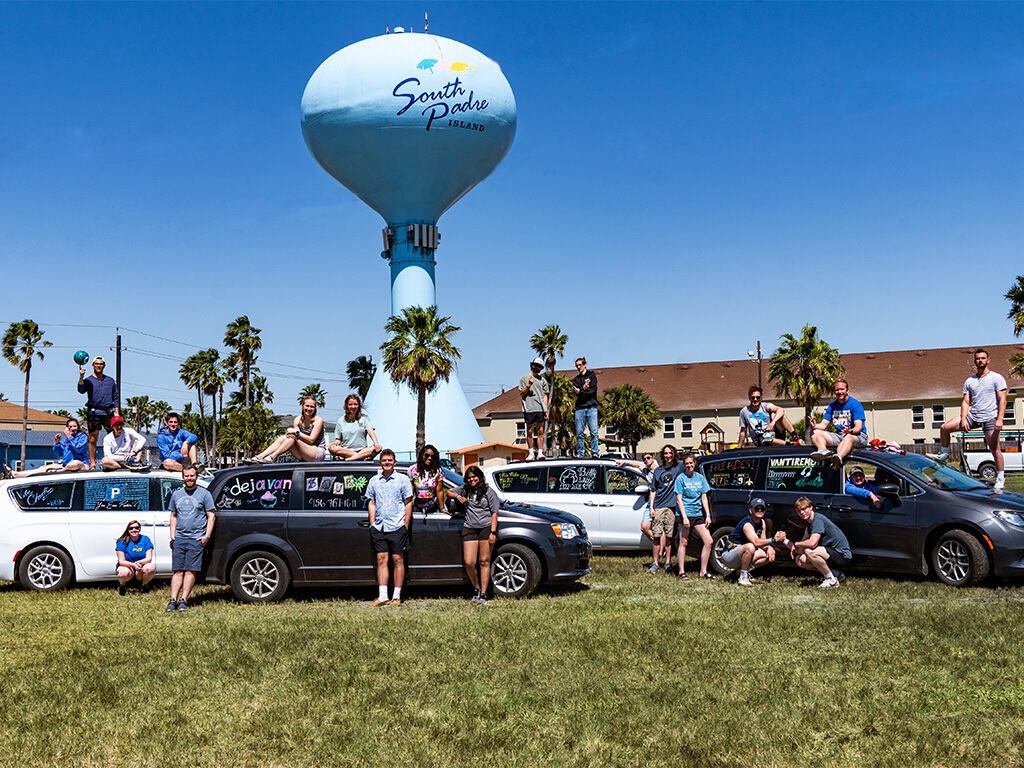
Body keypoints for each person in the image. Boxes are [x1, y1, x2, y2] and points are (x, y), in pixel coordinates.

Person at [936, 349, 1009, 490]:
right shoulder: (970, 381)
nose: (980, 360)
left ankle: (1000, 478)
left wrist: (1000, 419)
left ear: (988, 360)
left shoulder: (996, 378)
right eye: (977, 358)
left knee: (995, 450)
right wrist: (963, 419)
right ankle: (944, 454)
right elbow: (965, 402)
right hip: (973, 416)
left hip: (990, 417)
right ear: (974, 361)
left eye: (983, 358)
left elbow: (1003, 399)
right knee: (945, 428)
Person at [364, 449, 413, 606]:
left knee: (398, 559)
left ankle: (396, 596)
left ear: (394, 462)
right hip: (379, 526)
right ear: (380, 462)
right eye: (384, 460)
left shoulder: (403, 480)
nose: (387, 463)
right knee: (381, 559)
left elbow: (408, 502)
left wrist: (405, 525)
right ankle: (383, 595)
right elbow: (371, 502)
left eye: (389, 460)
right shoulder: (374, 481)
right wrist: (372, 524)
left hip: (397, 525)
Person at [447, 465, 500, 604]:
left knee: (484, 561)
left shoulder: (489, 491)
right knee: (469, 562)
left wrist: (493, 532)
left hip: (486, 528)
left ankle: (483, 593)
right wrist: (459, 496)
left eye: (474, 477)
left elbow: (494, 512)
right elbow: (448, 492)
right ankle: (476, 588)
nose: (471, 480)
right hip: (470, 527)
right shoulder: (465, 489)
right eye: (469, 478)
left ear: (479, 477)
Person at [166, 465, 216, 612]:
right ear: (183, 477)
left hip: (196, 539)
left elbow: (211, 516)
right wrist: (172, 535)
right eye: (187, 476)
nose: (189, 478)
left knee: (190, 570)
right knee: (177, 571)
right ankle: (172, 600)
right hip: (180, 538)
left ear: (196, 476)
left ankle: (184, 600)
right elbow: (173, 515)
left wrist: (206, 536)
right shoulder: (177, 495)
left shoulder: (204, 494)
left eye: (192, 475)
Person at [774, 497, 852, 588]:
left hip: (842, 556)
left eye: (803, 509)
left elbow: (812, 543)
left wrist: (797, 544)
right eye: (799, 511)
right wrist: (784, 540)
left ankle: (830, 579)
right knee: (800, 560)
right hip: (829, 555)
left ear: (811, 507)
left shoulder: (818, 519)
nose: (802, 513)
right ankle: (835, 574)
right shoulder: (809, 526)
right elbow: (799, 550)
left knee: (809, 551)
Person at [809, 379, 869, 470]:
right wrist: (815, 426)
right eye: (837, 390)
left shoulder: (855, 405)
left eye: (842, 389)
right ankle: (823, 451)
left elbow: (858, 427)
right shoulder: (832, 406)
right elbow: (823, 425)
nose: (839, 392)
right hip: (840, 435)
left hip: (857, 436)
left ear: (847, 390)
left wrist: (850, 430)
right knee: (815, 433)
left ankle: (837, 459)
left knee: (848, 437)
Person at [248, 396, 327, 463]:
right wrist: (294, 433)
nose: (309, 409)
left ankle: (272, 457)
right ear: (302, 406)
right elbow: (294, 436)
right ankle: (260, 456)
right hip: (302, 455)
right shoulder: (297, 420)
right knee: (285, 437)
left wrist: (297, 432)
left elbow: (311, 440)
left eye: (312, 406)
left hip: (316, 453)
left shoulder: (318, 420)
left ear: (315, 408)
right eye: (307, 406)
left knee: (293, 436)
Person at [674, 451, 714, 579]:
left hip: (698, 514)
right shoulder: (680, 479)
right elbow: (679, 499)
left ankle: (703, 571)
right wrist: (684, 517)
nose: (689, 465)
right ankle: (681, 572)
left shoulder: (700, 478)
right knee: (684, 542)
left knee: (708, 541)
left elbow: (704, 497)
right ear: (684, 465)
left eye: (691, 463)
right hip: (685, 514)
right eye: (687, 463)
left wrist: (707, 515)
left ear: (694, 463)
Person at [6, 417, 89, 477]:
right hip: (65, 466)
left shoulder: (82, 437)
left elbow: (78, 449)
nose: (73, 428)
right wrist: (57, 443)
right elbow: (59, 453)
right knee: (43, 468)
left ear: (78, 427)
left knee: (74, 463)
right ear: (67, 428)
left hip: (81, 465)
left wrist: (69, 437)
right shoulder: (66, 440)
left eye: (74, 426)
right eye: (70, 427)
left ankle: (59, 471)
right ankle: (16, 474)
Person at [719, 498, 775, 586]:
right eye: (757, 508)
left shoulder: (762, 522)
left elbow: (762, 542)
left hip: (741, 553)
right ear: (750, 510)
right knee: (750, 547)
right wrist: (774, 539)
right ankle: (743, 577)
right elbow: (756, 542)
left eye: (762, 508)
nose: (760, 510)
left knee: (767, 555)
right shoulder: (747, 523)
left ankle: (739, 572)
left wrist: (770, 548)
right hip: (729, 555)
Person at [77, 356, 120, 470]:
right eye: (96, 364)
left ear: (104, 365)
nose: (98, 366)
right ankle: (92, 463)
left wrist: (117, 413)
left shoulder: (110, 380)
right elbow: (81, 390)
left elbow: (115, 397)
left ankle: (112, 461)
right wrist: (81, 376)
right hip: (93, 412)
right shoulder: (88, 380)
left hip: (108, 412)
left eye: (101, 364)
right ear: (93, 365)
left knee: (113, 437)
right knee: (92, 439)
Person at [648, 445, 686, 574]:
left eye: (670, 453)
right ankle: (655, 563)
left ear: (674, 454)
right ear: (662, 455)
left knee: (669, 536)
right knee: (656, 536)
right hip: (659, 506)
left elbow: (691, 462)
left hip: (672, 507)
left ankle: (668, 563)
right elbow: (653, 490)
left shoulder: (679, 467)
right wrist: (651, 507)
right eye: (665, 453)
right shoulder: (658, 471)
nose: (668, 455)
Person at [619, 453, 659, 562]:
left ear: (653, 458)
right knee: (644, 527)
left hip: (660, 502)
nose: (646, 460)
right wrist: (625, 463)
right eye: (644, 459)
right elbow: (637, 465)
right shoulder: (646, 471)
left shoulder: (659, 471)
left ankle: (661, 550)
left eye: (648, 458)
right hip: (651, 502)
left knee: (661, 529)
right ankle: (659, 545)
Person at [328, 394, 382, 461]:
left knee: (376, 448)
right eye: (350, 404)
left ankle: (349, 459)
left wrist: (376, 443)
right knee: (332, 449)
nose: (353, 407)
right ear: (346, 406)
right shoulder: (341, 420)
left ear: (359, 405)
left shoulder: (364, 418)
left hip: (362, 450)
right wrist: (334, 443)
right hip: (346, 451)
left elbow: (371, 432)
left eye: (355, 404)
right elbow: (338, 439)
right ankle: (360, 458)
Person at [518, 358, 549, 461]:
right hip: (529, 408)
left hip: (540, 408)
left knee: (540, 431)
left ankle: (540, 452)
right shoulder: (524, 378)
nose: (537, 367)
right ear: (532, 365)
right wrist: (529, 385)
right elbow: (522, 394)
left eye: (539, 366)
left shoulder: (542, 380)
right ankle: (531, 453)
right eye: (536, 365)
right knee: (530, 431)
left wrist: (546, 410)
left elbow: (545, 395)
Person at [115, 520, 155, 594]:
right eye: (131, 528)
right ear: (128, 530)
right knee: (122, 572)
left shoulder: (145, 539)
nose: (134, 530)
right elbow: (121, 561)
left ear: (139, 529)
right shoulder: (122, 541)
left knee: (150, 567)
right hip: (127, 567)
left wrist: (138, 564)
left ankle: (144, 585)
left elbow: (148, 558)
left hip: (141, 566)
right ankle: (122, 585)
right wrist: (133, 565)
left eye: (136, 528)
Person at [571, 357, 599, 458]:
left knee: (594, 432)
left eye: (580, 365)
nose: (579, 367)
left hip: (592, 407)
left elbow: (592, 391)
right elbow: (576, 393)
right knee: (579, 433)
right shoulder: (576, 380)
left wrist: (582, 390)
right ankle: (580, 453)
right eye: (577, 366)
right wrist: (583, 390)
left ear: (585, 364)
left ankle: (595, 452)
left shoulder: (592, 375)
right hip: (580, 408)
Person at [409, 444, 446, 516]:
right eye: (427, 455)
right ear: (422, 455)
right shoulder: (412, 470)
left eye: (432, 456)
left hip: (433, 507)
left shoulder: (438, 471)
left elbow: (440, 491)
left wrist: (443, 509)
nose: (429, 458)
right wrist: (407, 507)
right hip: (417, 506)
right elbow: (411, 490)